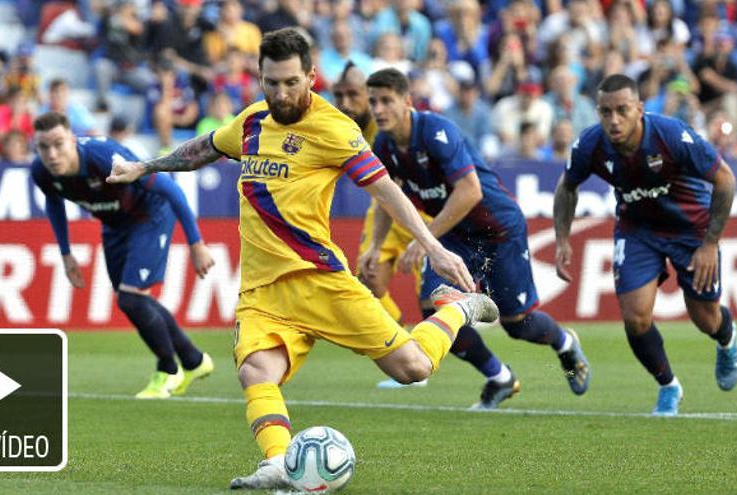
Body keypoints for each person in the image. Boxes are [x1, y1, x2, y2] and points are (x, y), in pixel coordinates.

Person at [106, 28, 498, 490]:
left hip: (320, 279)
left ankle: (458, 308)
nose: (281, 92)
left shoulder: (334, 128)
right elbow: (203, 149)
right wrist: (145, 166)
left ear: (311, 76)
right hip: (263, 288)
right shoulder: (252, 122)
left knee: (412, 369)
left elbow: (385, 190)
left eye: (291, 82)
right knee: (255, 370)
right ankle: (277, 462)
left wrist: (432, 246)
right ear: (260, 77)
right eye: (271, 82)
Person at [364, 68, 591, 409]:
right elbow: (385, 194)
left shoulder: (435, 131)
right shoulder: (383, 144)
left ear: (407, 101)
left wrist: (423, 240)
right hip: (456, 235)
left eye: (386, 101)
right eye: (373, 102)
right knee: (435, 311)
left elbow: (469, 191)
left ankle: (564, 343)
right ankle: (500, 377)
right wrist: (376, 245)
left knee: (518, 324)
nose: (378, 109)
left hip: (498, 230)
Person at [554, 74, 737, 416]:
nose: (613, 120)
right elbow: (567, 186)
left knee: (706, 319)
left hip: (691, 228)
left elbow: (726, 179)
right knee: (635, 319)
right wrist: (563, 238)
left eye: (622, 110)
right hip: (637, 230)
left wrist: (711, 244)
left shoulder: (672, 136)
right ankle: (669, 386)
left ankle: (726, 340)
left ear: (639, 109)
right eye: (606, 112)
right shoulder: (590, 145)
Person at [31, 111, 216, 400]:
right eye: (44, 147)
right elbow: (53, 202)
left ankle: (168, 370)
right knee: (134, 300)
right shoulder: (41, 172)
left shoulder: (104, 158)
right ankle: (193, 360)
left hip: (150, 214)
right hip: (114, 225)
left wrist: (197, 243)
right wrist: (66, 254)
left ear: (73, 139)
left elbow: (170, 188)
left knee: (130, 297)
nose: (52, 154)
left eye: (58, 144)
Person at [331, 62, 427, 389]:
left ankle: (494, 371)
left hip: (419, 210)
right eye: (339, 95)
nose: (345, 102)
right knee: (369, 281)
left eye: (353, 95)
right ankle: (405, 351)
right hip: (385, 210)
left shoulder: (386, 122)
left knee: (431, 299)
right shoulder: (342, 124)